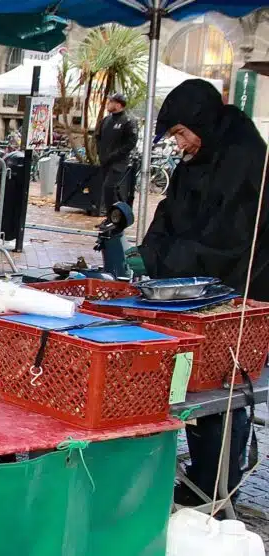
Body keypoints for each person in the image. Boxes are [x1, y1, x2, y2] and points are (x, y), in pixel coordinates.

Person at [126, 79, 268, 507]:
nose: (180, 144)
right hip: (193, 291)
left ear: (202, 121)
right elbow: (172, 212)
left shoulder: (246, 159)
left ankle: (217, 485)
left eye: (182, 133)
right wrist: (150, 252)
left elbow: (230, 241)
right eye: (174, 136)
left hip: (239, 293)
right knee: (194, 381)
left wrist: (169, 259)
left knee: (225, 390)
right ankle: (201, 478)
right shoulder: (197, 158)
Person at [95, 93, 138, 210]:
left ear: (118, 105)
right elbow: (98, 136)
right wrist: (100, 153)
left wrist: (115, 155)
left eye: (111, 102)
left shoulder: (128, 121)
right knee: (107, 190)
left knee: (109, 188)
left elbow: (131, 142)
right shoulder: (106, 120)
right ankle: (112, 216)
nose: (108, 104)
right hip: (105, 161)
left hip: (118, 162)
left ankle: (115, 217)